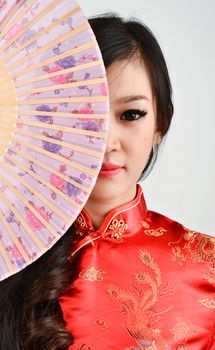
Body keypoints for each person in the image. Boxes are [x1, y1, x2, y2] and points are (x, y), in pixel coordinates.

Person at [0, 13, 214, 350]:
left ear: (162, 122)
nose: (105, 141)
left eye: (131, 115)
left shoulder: (207, 266)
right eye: (85, 115)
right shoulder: (10, 255)